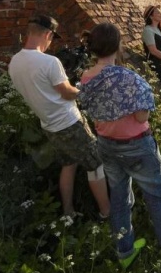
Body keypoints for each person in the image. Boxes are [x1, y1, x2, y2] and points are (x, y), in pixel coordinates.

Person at [79, 23, 161, 268]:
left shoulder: (85, 77)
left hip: (107, 145)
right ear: (118, 46)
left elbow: (90, 108)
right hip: (137, 146)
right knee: (157, 196)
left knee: (119, 199)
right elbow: (141, 117)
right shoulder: (128, 78)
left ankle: (125, 253)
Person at [7, 14, 110, 220]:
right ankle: (107, 212)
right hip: (69, 123)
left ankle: (68, 212)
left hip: (49, 126)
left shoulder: (14, 63)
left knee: (68, 164)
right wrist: (81, 88)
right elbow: (67, 93)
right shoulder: (49, 62)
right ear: (47, 34)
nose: (50, 42)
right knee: (96, 164)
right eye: (52, 38)